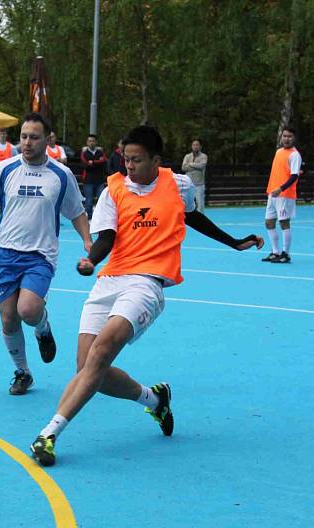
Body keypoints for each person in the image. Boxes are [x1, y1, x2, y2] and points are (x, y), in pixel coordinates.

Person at [29, 125, 264, 467]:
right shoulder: (114, 189)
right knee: (87, 367)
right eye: (126, 159)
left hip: (147, 283)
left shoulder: (179, 184)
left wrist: (235, 242)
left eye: (137, 160)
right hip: (110, 280)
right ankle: (155, 400)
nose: (129, 166)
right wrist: (91, 260)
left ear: (156, 159)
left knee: (102, 351)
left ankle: (48, 434)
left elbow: (192, 216)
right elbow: (107, 237)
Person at [0, 113, 91, 395]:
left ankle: (42, 328)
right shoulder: (5, 169)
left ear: (48, 140)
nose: (26, 143)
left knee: (27, 310)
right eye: (24, 137)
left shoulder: (61, 176)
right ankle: (23, 372)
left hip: (40, 254)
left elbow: (76, 211)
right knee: (8, 318)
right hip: (4, 253)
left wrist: (88, 241)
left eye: (34, 137)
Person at [262, 127, 302, 264]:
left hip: (285, 195)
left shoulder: (295, 155)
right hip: (273, 193)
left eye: (289, 136)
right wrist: (272, 189)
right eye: (284, 136)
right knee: (269, 222)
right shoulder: (279, 152)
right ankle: (275, 252)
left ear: (294, 138)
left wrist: (281, 188)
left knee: (284, 222)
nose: (286, 139)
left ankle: (286, 253)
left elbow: (294, 175)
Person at [80, 134, 108, 219]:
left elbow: (104, 162)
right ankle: (89, 218)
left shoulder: (101, 153)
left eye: (93, 141)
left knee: (102, 201)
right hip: (88, 181)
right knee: (89, 202)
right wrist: (97, 162)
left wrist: (92, 162)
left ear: (96, 142)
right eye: (90, 141)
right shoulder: (84, 153)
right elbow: (86, 165)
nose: (91, 143)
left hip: (100, 180)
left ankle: (100, 219)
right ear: (87, 142)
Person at [181, 139, 208, 212]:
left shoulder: (204, 156)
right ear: (191, 146)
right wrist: (196, 166)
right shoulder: (187, 156)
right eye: (194, 145)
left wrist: (191, 164)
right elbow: (183, 167)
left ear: (200, 146)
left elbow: (202, 166)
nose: (195, 146)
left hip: (199, 185)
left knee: (200, 205)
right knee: (187, 206)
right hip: (188, 185)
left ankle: (201, 222)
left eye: (197, 145)